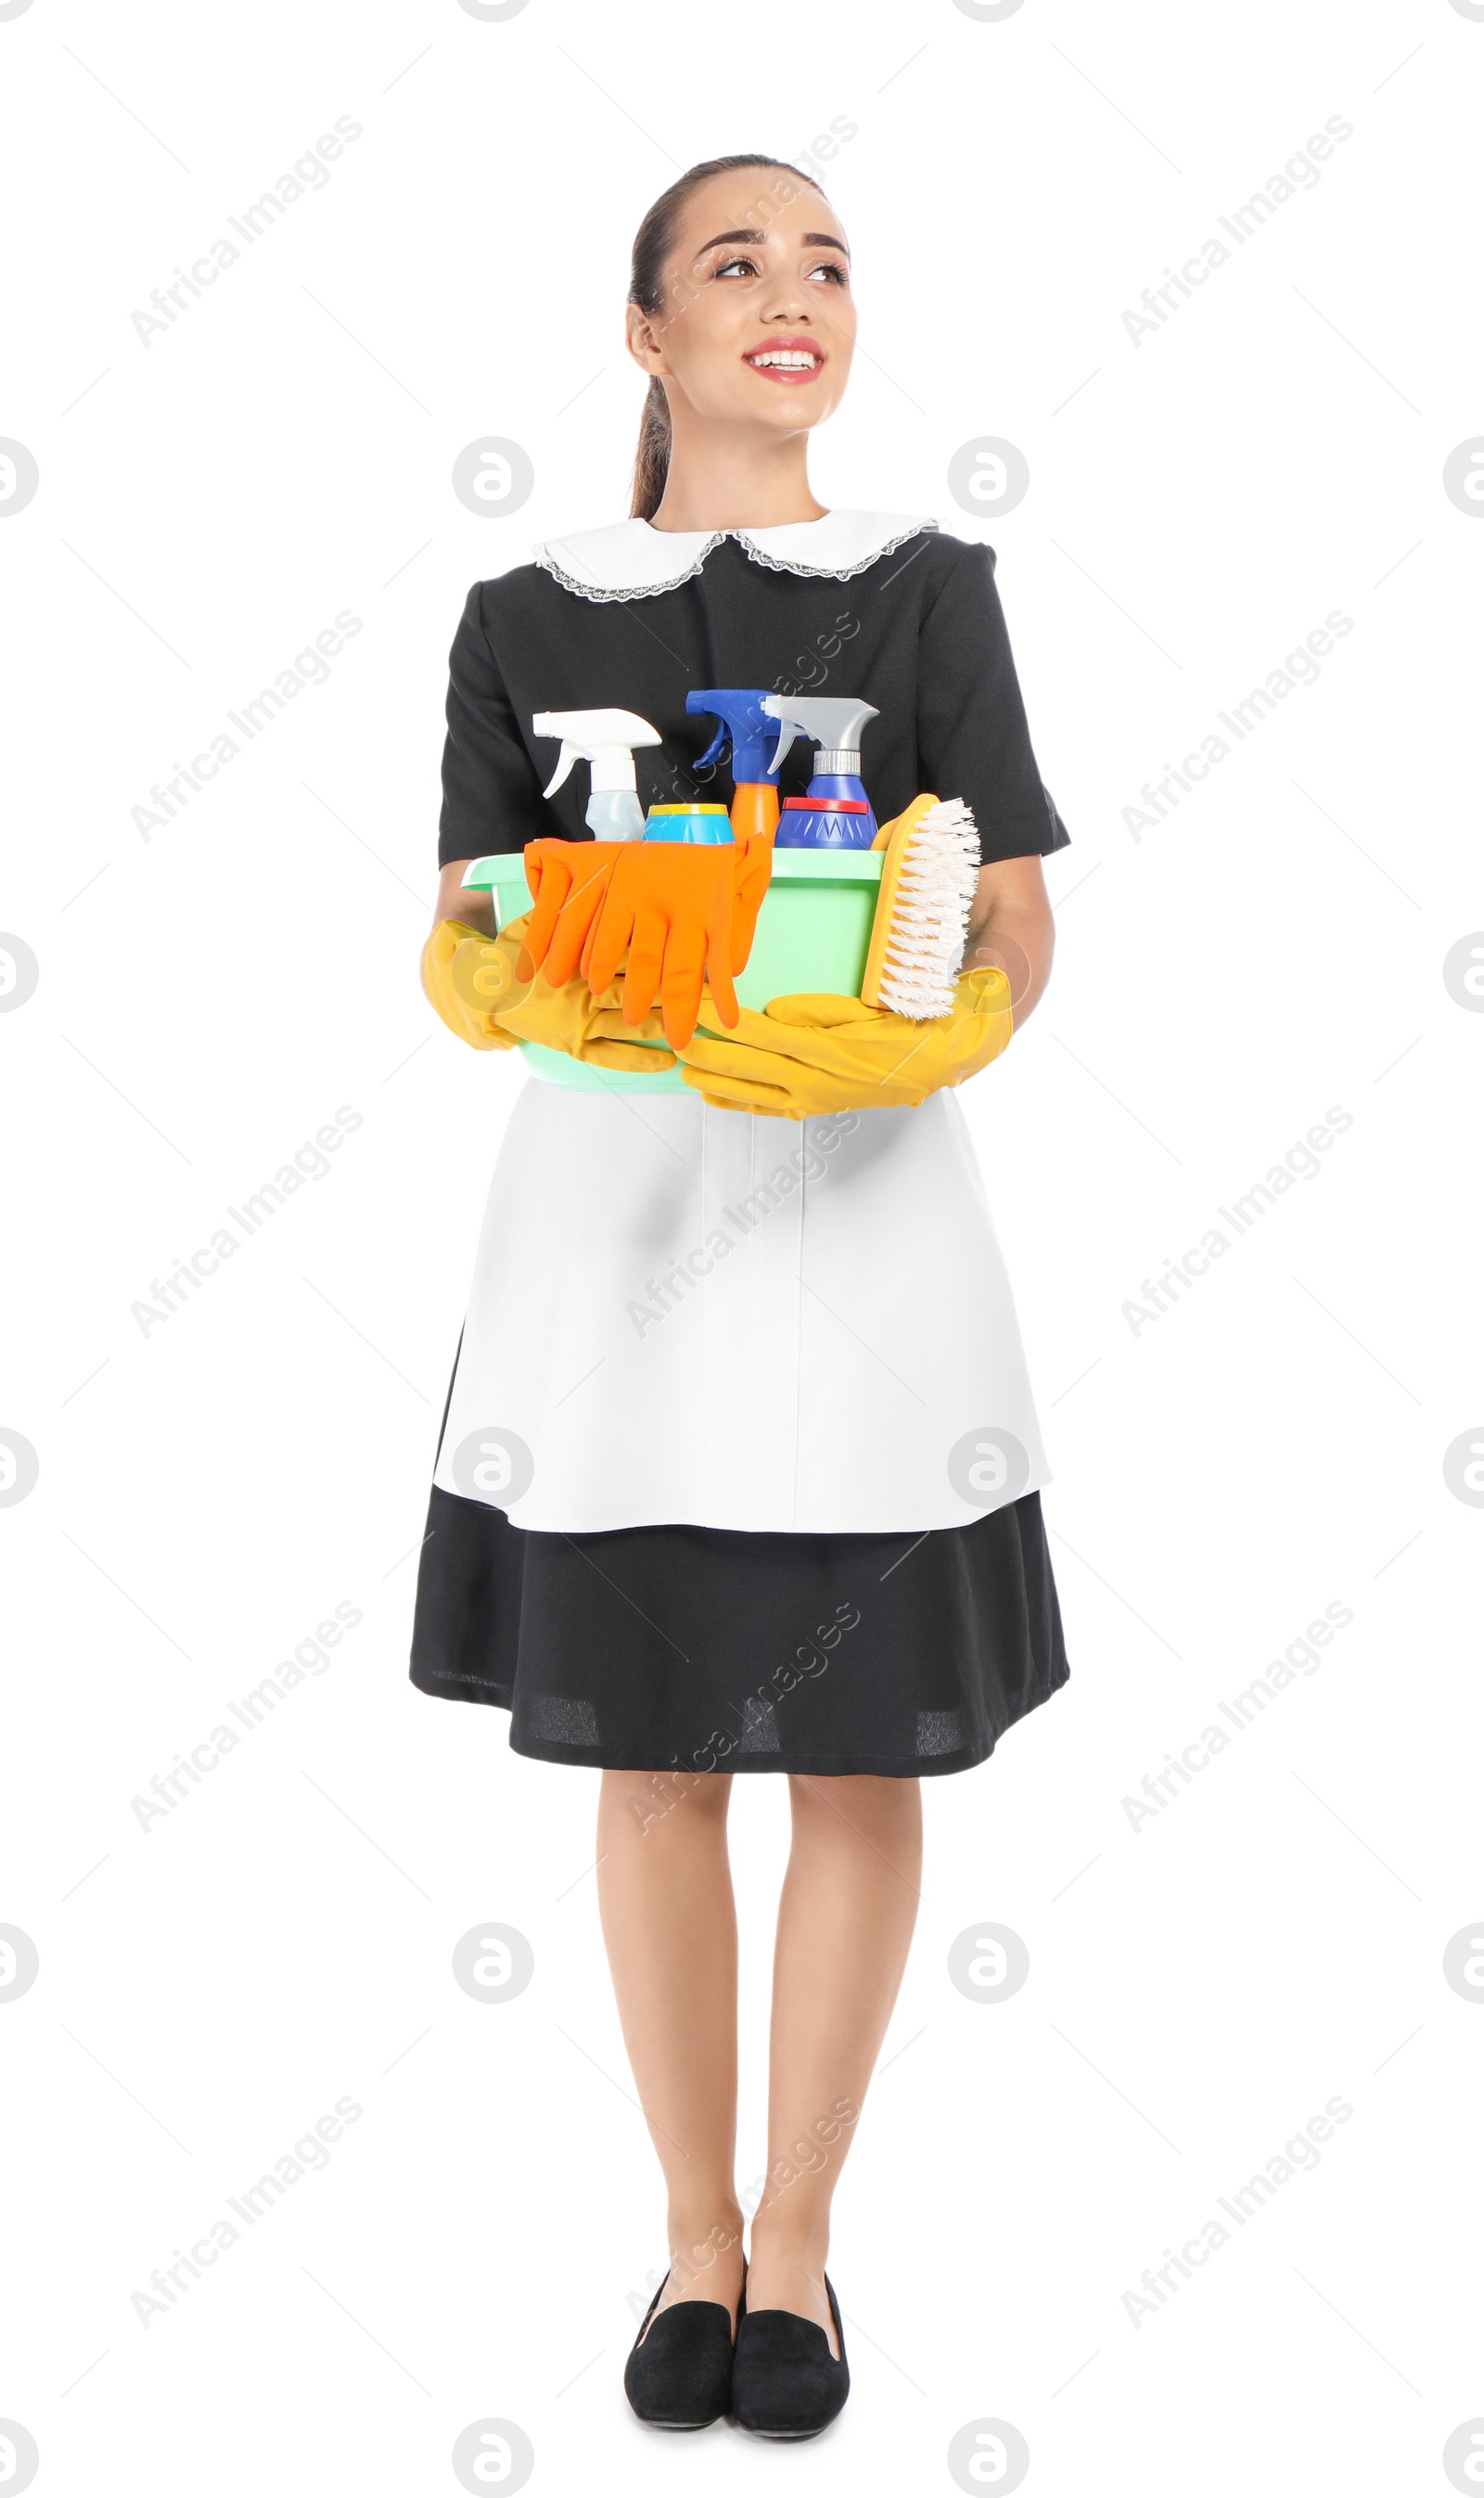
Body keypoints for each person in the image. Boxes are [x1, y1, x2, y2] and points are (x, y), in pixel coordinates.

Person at [412, 152, 1069, 2440]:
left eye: (825, 262)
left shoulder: (923, 596)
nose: (790, 293)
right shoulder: (524, 613)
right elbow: (475, 910)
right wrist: (483, 976)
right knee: (664, 1763)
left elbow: (1011, 900)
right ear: (645, 333)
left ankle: (797, 2245)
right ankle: (686, 2238)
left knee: (858, 1753)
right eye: (734, 260)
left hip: (870, 1217)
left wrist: (951, 1025)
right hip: (612, 1243)